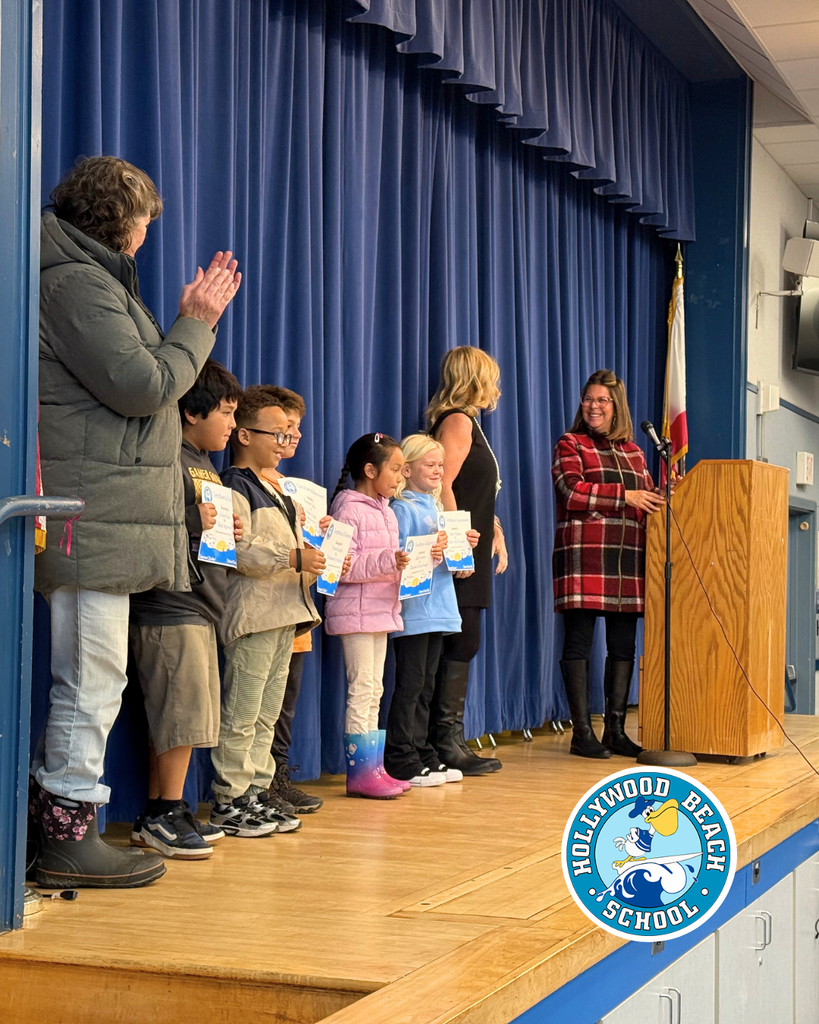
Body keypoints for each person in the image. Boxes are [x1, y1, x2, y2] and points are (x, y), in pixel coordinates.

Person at [31, 156, 240, 889]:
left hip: (104, 509)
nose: (151, 230)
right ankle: (64, 834)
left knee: (96, 674)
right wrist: (198, 322)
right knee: (91, 676)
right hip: (93, 512)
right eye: (147, 217)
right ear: (125, 219)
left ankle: (62, 821)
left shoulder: (88, 277)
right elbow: (144, 384)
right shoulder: (77, 282)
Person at [128, 360, 243, 859]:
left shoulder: (204, 461)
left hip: (201, 604)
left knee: (179, 716)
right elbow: (146, 520)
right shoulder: (164, 454)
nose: (231, 425)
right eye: (225, 412)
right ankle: (165, 812)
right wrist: (198, 519)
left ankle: (163, 806)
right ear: (191, 412)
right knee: (180, 713)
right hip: (171, 603)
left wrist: (226, 533)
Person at [213, 387, 325, 836]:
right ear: (243, 434)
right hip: (253, 616)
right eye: (276, 435)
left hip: (284, 614)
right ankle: (230, 798)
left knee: (265, 713)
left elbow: (292, 558)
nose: (285, 443)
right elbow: (236, 551)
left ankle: (257, 791)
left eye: (288, 435)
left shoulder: (280, 493)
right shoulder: (233, 486)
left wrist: (318, 561)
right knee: (241, 712)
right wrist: (293, 558)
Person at [551, 368, 663, 759]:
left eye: (602, 400)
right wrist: (626, 497)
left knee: (622, 645)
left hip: (628, 557)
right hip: (585, 554)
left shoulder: (634, 450)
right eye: (588, 399)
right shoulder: (571, 442)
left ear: (617, 407)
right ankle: (582, 733)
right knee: (579, 642)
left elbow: (647, 496)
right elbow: (571, 490)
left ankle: (614, 729)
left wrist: (666, 494)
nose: (593, 406)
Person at [427, 347, 507, 776]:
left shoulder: (471, 422)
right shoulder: (457, 420)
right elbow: (442, 484)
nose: (496, 387)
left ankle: (450, 737)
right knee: (460, 639)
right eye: (491, 377)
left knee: (466, 638)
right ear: (475, 378)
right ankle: (445, 741)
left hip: (475, 543)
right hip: (459, 551)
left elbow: (478, 490)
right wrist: (459, 544)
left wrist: (495, 529)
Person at [386, 435, 480, 787]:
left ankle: (424, 753)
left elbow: (452, 566)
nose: (438, 470)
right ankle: (401, 757)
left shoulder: (438, 509)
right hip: (415, 611)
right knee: (410, 686)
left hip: (439, 609)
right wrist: (430, 549)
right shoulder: (404, 509)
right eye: (430, 464)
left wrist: (461, 548)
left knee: (427, 686)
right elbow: (399, 557)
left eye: (441, 464)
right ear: (407, 470)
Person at [325, 434, 411, 800]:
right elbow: (342, 567)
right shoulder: (348, 508)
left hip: (380, 611)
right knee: (362, 690)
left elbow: (389, 564)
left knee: (375, 690)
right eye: (394, 469)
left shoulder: (387, 510)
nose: (400, 477)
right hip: (356, 613)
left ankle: (373, 768)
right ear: (370, 469)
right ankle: (359, 774)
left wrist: (424, 560)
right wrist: (389, 562)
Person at [258, 386, 324, 814]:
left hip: (298, 610)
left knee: (285, 706)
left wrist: (324, 536)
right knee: (261, 706)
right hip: (268, 609)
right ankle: (259, 785)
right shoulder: (251, 483)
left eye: (298, 428)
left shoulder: (291, 486)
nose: (293, 436)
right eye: (286, 429)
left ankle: (278, 776)